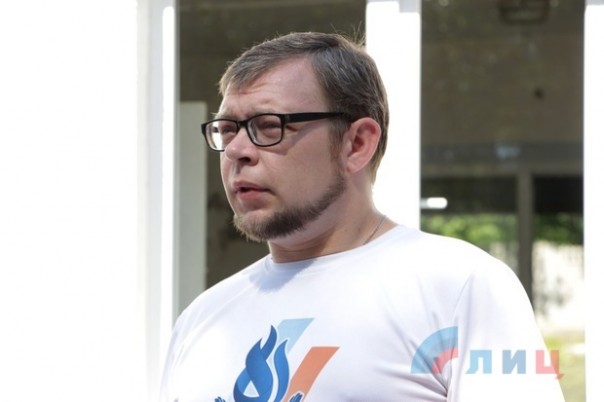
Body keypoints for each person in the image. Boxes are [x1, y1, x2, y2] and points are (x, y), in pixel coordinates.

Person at [160, 32, 564, 402]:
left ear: (356, 144)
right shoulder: (203, 318)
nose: (236, 151)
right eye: (227, 129)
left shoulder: (458, 285)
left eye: (268, 126)